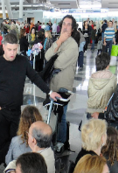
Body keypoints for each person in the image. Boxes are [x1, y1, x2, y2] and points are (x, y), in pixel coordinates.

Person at [0, 32, 60, 173]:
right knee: (3, 139)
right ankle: (4, 163)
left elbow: (35, 78)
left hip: (16, 109)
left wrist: (49, 92)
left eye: (14, 49)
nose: (12, 53)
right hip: (0, 110)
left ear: (18, 47)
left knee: (15, 139)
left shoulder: (23, 62)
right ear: (3, 48)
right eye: (9, 50)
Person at [44, 16, 79, 152]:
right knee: (54, 113)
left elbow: (57, 63)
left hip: (63, 84)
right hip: (53, 84)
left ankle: (60, 141)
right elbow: (47, 56)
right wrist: (58, 42)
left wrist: (56, 50)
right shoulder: (60, 41)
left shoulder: (73, 45)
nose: (65, 26)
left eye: (69, 24)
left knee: (61, 115)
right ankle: (55, 137)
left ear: (73, 28)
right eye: (64, 23)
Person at [87, 52, 117, 119]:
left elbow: (89, 93)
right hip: (104, 113)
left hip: (91, 111)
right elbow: (114, 97)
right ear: (107, 65)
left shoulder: (91, 78)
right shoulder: (112, 78)